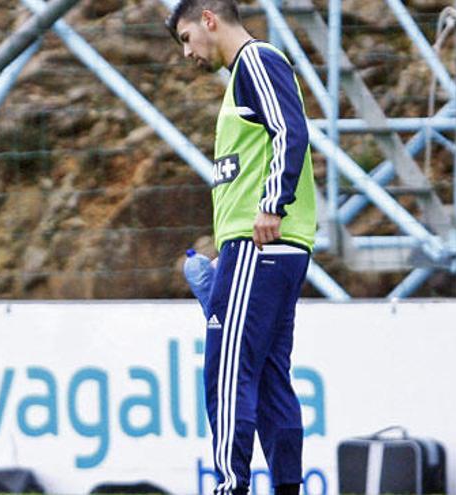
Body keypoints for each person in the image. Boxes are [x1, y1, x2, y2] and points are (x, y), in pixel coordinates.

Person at [166, 1, 317, 494]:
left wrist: (272, 202)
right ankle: (288, 487)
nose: (187, 52)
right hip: (263, 248)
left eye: (187, 37)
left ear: (210, 18)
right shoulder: (241, 79)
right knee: (271, 376)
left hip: (262, 245)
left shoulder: (256, 60)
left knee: (226, 369)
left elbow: (290, 131)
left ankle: (231, 485)